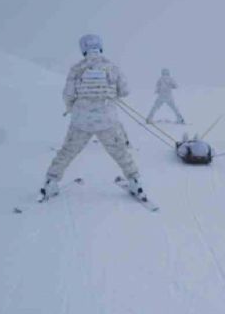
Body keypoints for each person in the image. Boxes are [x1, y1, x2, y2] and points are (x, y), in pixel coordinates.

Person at [41, 34, 147, 200]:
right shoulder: (111, 67)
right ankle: (135, 182)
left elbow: (68, 94)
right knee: (120, 152)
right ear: (100, 47)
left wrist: (71, 107)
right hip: (107, 120)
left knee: (67, 151)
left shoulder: (77, 69)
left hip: (81, 121)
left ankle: (50, 183)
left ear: (83, 48)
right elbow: (125, 91)